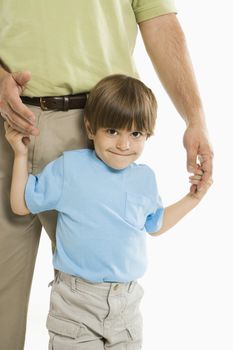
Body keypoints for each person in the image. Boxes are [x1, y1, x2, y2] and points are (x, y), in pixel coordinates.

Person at [0, 2, 213, 349]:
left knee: (92, 288)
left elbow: (159, 21)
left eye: (138, 138)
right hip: (10, 117)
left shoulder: (129, 165)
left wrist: (195, 118)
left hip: (99, 118)